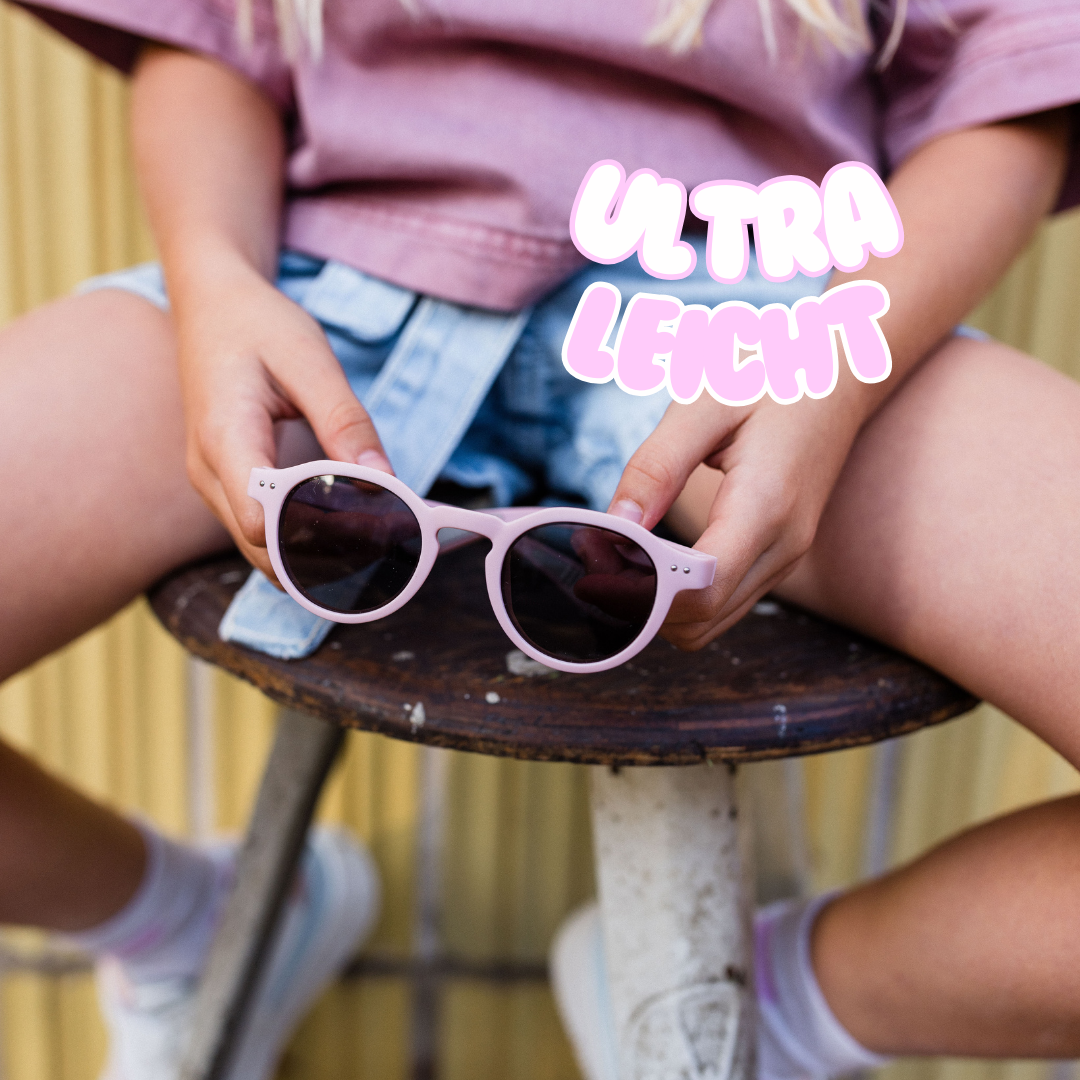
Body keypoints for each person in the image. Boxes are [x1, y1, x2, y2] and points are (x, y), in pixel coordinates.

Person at [0, 0, 1077, 1077]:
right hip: (314, 284)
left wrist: (832, 356)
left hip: (777, 329)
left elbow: (1012, 80)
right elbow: (208, 33)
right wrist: (214, 281)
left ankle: (775, 1005)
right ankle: (183, 925)